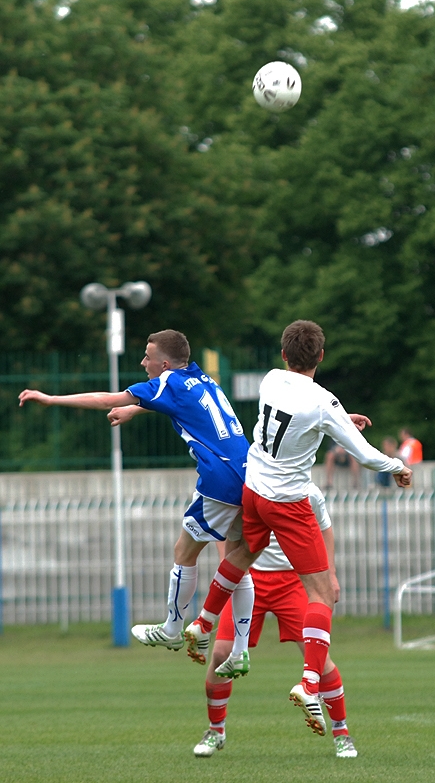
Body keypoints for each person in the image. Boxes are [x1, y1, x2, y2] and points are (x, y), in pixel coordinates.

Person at [184, 320, 412, 737]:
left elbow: (299, 422)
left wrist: (342, 420)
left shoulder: (271, 380)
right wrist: (397, 466)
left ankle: (201, 621)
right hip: (287, 502)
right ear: (321, 356)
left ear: (284, 354)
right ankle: (309, 684)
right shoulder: (324, 401)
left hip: (253, 490)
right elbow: (362, 454)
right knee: (322, 593)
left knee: (241, 554)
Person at [18, 329, 253, 654]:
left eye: (148, 357)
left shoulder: (167, 382)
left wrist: (50, 398)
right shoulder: (200, 378)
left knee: (184, 552)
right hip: (250, 475)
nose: (143, 362)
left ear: (165, 363)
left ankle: (173, 628)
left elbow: (105, 399)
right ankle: (241, 651)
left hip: (220, 480)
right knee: (236, 560)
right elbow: (179, 404)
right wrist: (136, 409)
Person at [194, 483, 358, 760]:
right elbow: (224, 527)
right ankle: (215, 730)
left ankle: (342, 733)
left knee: (318, 658)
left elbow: (324, 527)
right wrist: (230, 566)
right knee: (221, 654)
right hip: (250, 579)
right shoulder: (246, 486)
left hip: (293, 580)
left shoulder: (307, 490)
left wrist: (330, 574)